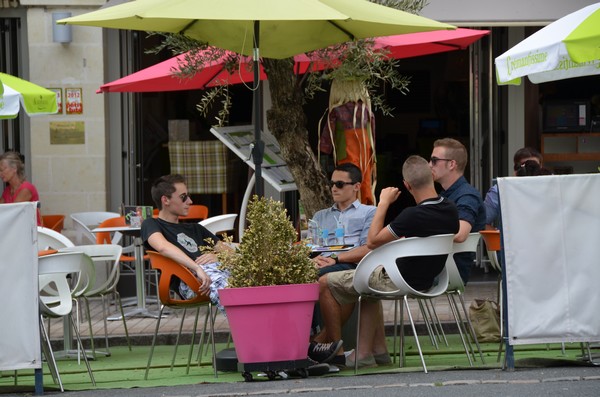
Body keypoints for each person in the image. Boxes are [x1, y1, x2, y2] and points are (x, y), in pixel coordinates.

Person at [309, 155, 459, 368]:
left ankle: (337, 351)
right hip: (428, 280)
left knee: (326, 283)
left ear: (406, 185)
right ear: (432, 176)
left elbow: (372, 242)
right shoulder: (451, 209)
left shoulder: (412, 215)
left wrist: (383, 204)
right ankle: (376, 352)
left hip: (397, 281)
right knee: (370, 284)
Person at [141, 174, 232, 312]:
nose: (190, 201)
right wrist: (197, 268)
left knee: (249, 282)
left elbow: (229, 252)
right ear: (165, 200)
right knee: (228, 289)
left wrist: (218, 257)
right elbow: (163, 247)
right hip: (189, 281)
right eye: (183, 197)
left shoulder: (196, 228)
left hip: (214, 273)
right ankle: (247, 329)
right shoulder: (151, 224)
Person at [429, 138, 486, 285]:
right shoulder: (444, 195)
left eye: (434, 160)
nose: (429, 165)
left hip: (447, 272)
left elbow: (460, 234)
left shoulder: (467, 196)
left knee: (378, 279)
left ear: (451, 164)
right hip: (435, 266)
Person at [311, 163, 376, 277]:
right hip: (322, 264)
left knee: (314, 275)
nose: (334, 189)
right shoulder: (319, 216)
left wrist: (334, 258)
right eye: (332, 184)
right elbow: (311, 248)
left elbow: (368, 248)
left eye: (339, 184)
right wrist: (314, 259)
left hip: (352, 265)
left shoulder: (369, 212)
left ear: (356, 186)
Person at [483, 147, 543, 228]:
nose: (529, 171)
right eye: (525, 166)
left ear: (541, 168)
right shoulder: (499, 191)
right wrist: (497, 239)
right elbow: (482, 222)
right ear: (515, 170)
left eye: (533, 167)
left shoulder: (552, 190)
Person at [0, 151, 41, 225]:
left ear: (14, 168)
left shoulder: (26, 188)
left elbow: (12, 213)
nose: (0, 173)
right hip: (17, 229)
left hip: (32, 231)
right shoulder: (7, 190)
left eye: (3, 169)